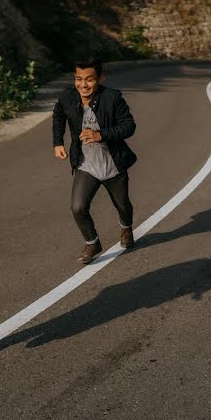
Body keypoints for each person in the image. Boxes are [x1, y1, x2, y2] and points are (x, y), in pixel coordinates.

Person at [52, 58, 138, 265]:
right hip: (85, 165)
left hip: (113, 164)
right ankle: (92, 243)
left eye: (90, 79)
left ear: (100, 78)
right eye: (79, 79)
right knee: (78, 207)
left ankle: (126, 228)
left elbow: (129, 126)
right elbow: (58, 116)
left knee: (122, 205)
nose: (83, 85)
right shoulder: (68, 97)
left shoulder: (112, 98)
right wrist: (57, 142)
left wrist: (100, 135)